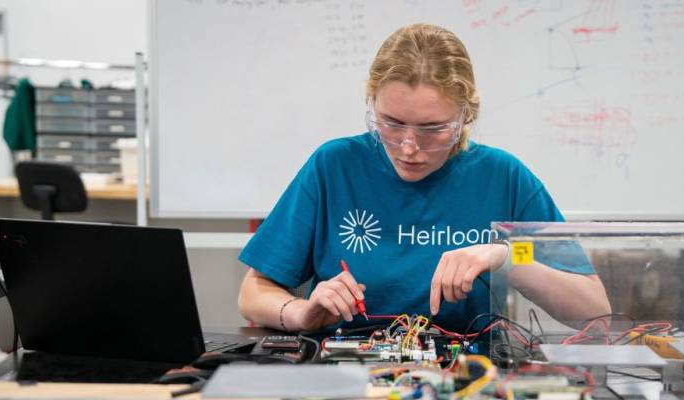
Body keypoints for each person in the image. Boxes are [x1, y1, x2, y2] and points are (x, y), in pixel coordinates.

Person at [238, 23, 610, 333]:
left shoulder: (504, 178)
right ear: (372, 103)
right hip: (344, 379)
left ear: (466, 116)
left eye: (433, 129)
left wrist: (508, 257)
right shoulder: (334, 166)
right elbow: (253, 292)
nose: (408, 148)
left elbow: (596, 311)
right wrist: (301, 312)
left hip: (466, 384)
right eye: (392, 124)